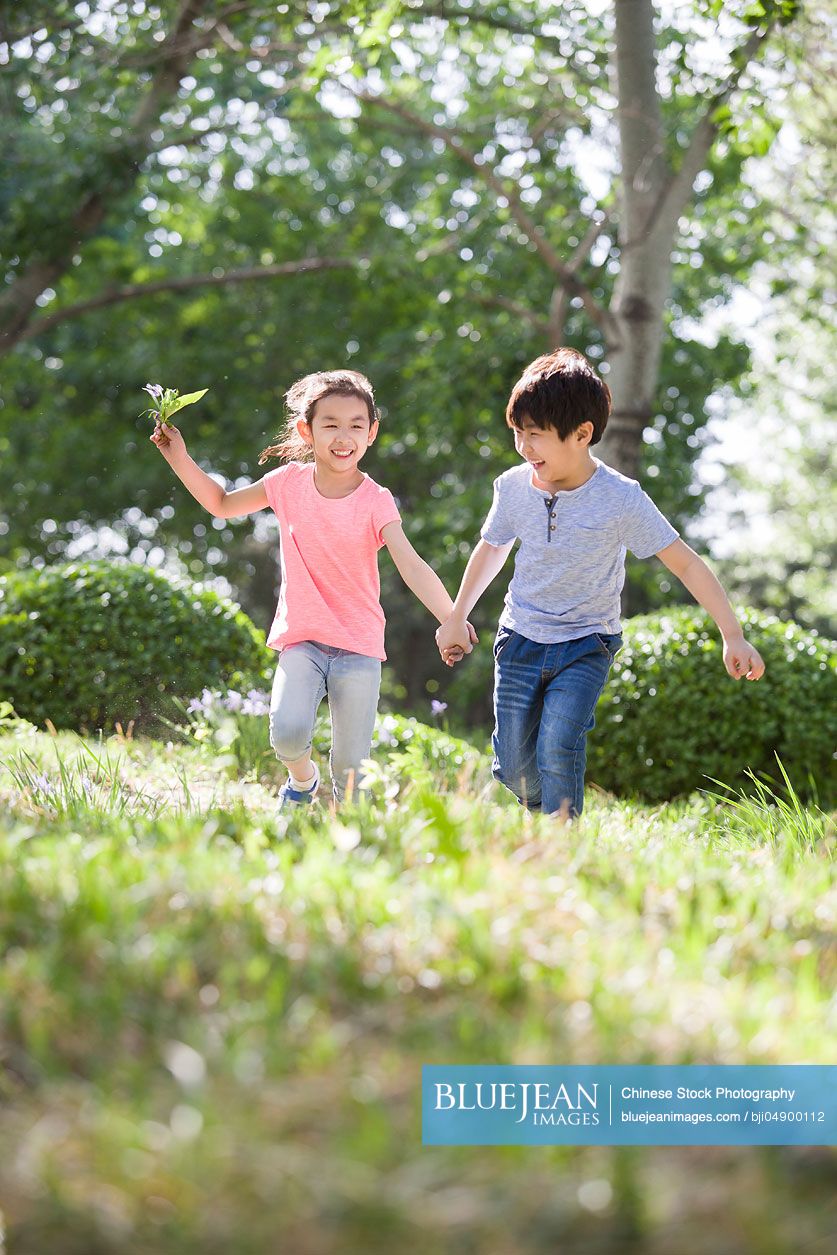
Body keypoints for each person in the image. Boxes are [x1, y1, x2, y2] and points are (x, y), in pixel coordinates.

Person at [435, 347, 765, 820]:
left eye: (535, 436)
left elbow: (686, 564)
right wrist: (455, 615)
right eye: (517, 434)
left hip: (586, 644)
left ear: (582, 434)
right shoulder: (511, 487)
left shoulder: (620, 498)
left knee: (558, 744)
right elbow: (491, 548)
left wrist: (731, 633)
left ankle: (560, 839)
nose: (524, 448)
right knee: (512, 764)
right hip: (520, 638)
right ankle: (541, 812)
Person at [152, 368, 473, 809]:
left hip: (358, 646)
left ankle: (349, 843)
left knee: (351, 771)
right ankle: (302, 782)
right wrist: (179, 458)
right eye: (331, 424)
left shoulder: (375, 498)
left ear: (372, 432)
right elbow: (222, 505)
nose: (344, 437)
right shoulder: (288, 484)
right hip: (302, 639)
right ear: (308, 429)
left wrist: (452, 618)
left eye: (356, 425)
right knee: (286, 734)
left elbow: (411, 564)